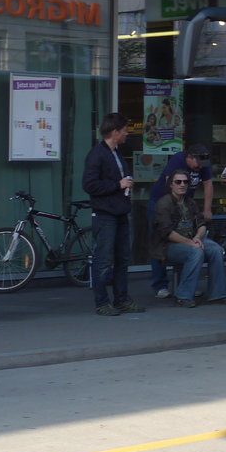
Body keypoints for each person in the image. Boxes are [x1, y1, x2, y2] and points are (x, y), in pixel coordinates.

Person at [82, 112, 146, 316]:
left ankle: (121, 299)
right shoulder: (97, 154)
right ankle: (102, 302)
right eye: (125, 130)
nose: (127, 133)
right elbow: (89, 185)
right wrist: (118, 184)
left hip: (119, 211)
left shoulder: (116, 153)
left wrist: (125, 183)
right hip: (105, 214)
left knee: (122, 258)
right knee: (104, 259)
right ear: (115, 131)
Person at [151, 167, 226, 307]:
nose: (182, 185)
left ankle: (218, 294)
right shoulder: (163, 203)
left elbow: (202, 224)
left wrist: (197, 237)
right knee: (195, 252)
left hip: (191, 240)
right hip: (168, 246)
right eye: (178, 182)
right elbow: (167, 233)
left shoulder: (190, 202)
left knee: (216, 249)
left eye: (185, 182)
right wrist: (191, 243)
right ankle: (183, 295)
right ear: (171, 184)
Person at [147, 144, 215, 298]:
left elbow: (208, 184)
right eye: (197, 164)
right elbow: (169, 183)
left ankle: (186, 284)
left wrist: (207, 209)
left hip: (185, 203)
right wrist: (173, 207)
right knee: (160, 241)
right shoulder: (178, 159)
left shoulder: (202, 163)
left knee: (190, 242)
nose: (199, 168)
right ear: (189, 158)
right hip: (162, 202)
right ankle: (160, 285)